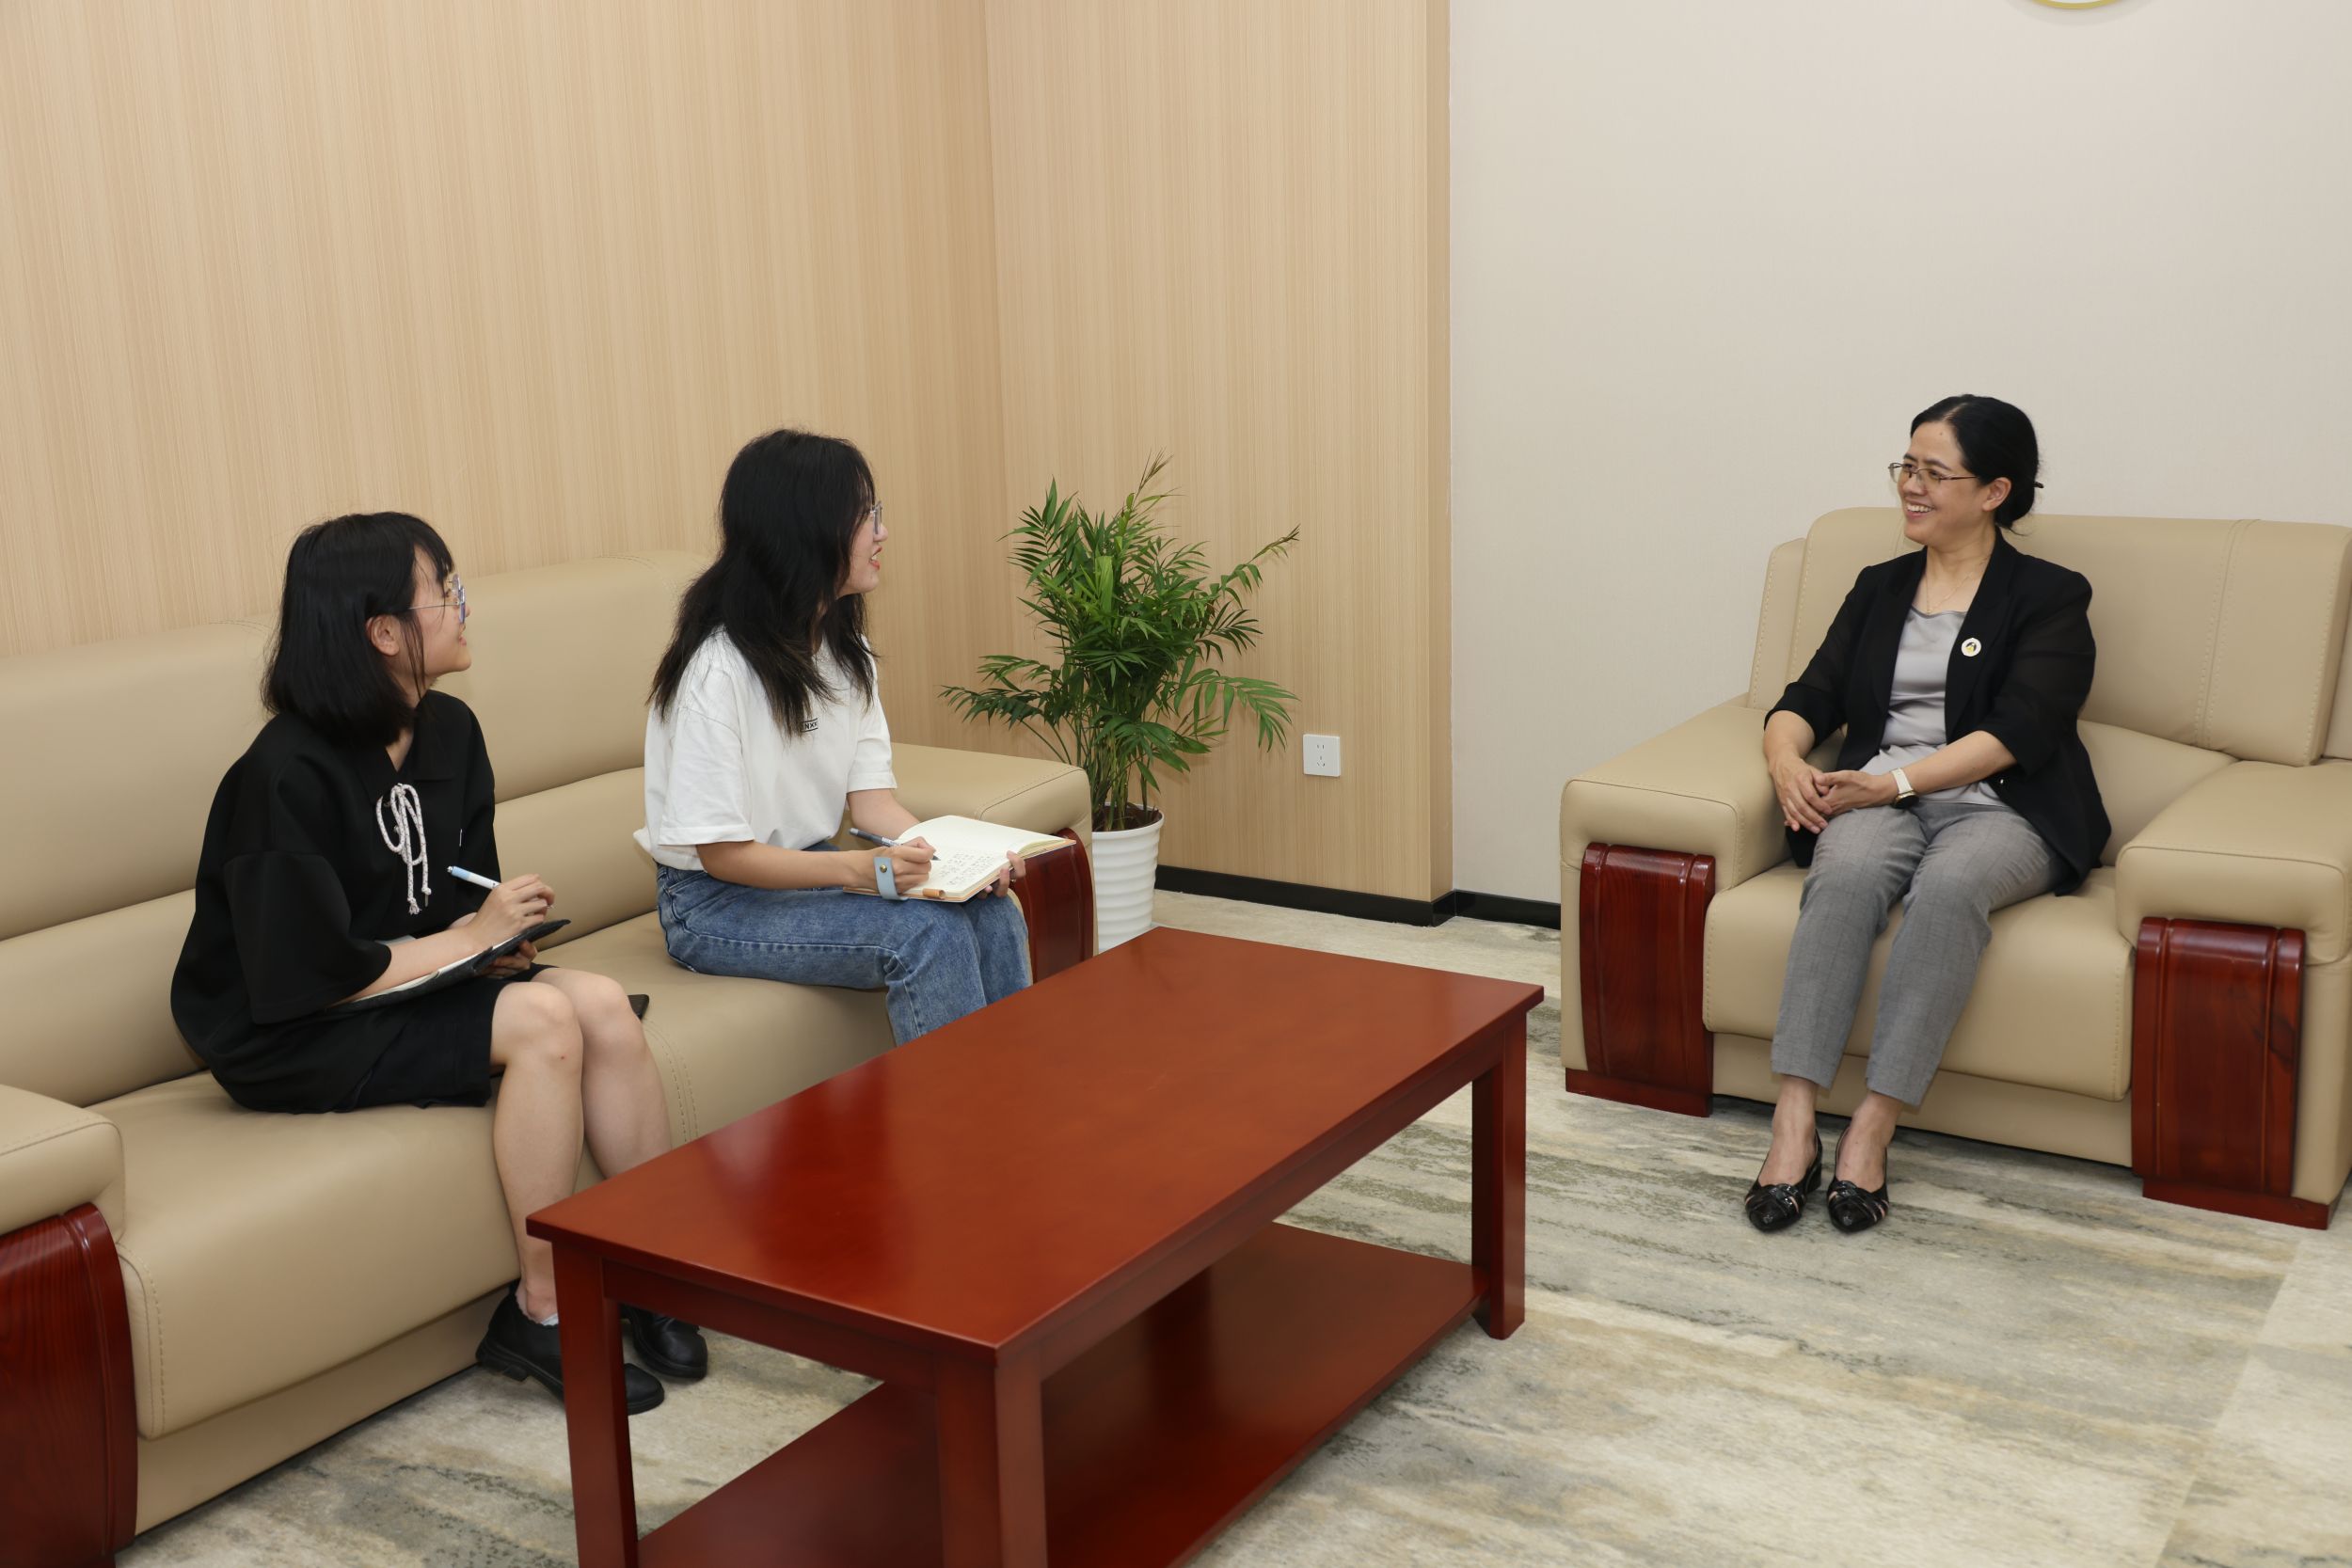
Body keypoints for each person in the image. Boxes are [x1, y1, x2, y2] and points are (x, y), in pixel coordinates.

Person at [170, 513, 706, 1413]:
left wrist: (492, 941)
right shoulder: (284, 775)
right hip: (291, 1030)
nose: (464, 605)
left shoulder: (450, 730)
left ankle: (653, 1270)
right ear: (383, 632)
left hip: (411, 984)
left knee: (603, 1003)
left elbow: (459, 895)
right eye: (445, 590)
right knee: (546, 1021)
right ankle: (540, 1310)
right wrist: (467, 941)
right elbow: (305, 978)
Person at [1747, 396, 2108, 1234]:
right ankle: (1793, 1121)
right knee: (1843, 872)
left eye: (1935, 473)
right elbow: (1809, 695)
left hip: (2004, 805)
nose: (1911, 486)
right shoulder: (1880, 586)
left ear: (1993, 492)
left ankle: (1873, 1126)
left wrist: (1896, 784)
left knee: (1947, 890)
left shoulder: (2049, 595)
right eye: (1906, 467)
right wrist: (1786, 760)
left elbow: (2020, 731)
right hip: (1878, 791)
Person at [642, 429, 1030, 1041]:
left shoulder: (846, 652)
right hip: (712, 902)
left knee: (992, 910)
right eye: (865, 516)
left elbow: (872, 805)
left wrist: (959, 863)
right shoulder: (717, 671)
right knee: (927, 932)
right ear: (807, 530)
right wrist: (859, 870)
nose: (882, 532)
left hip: (810, 866)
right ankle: (962, 1106)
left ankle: (1017, 1092)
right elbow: (722, 856)